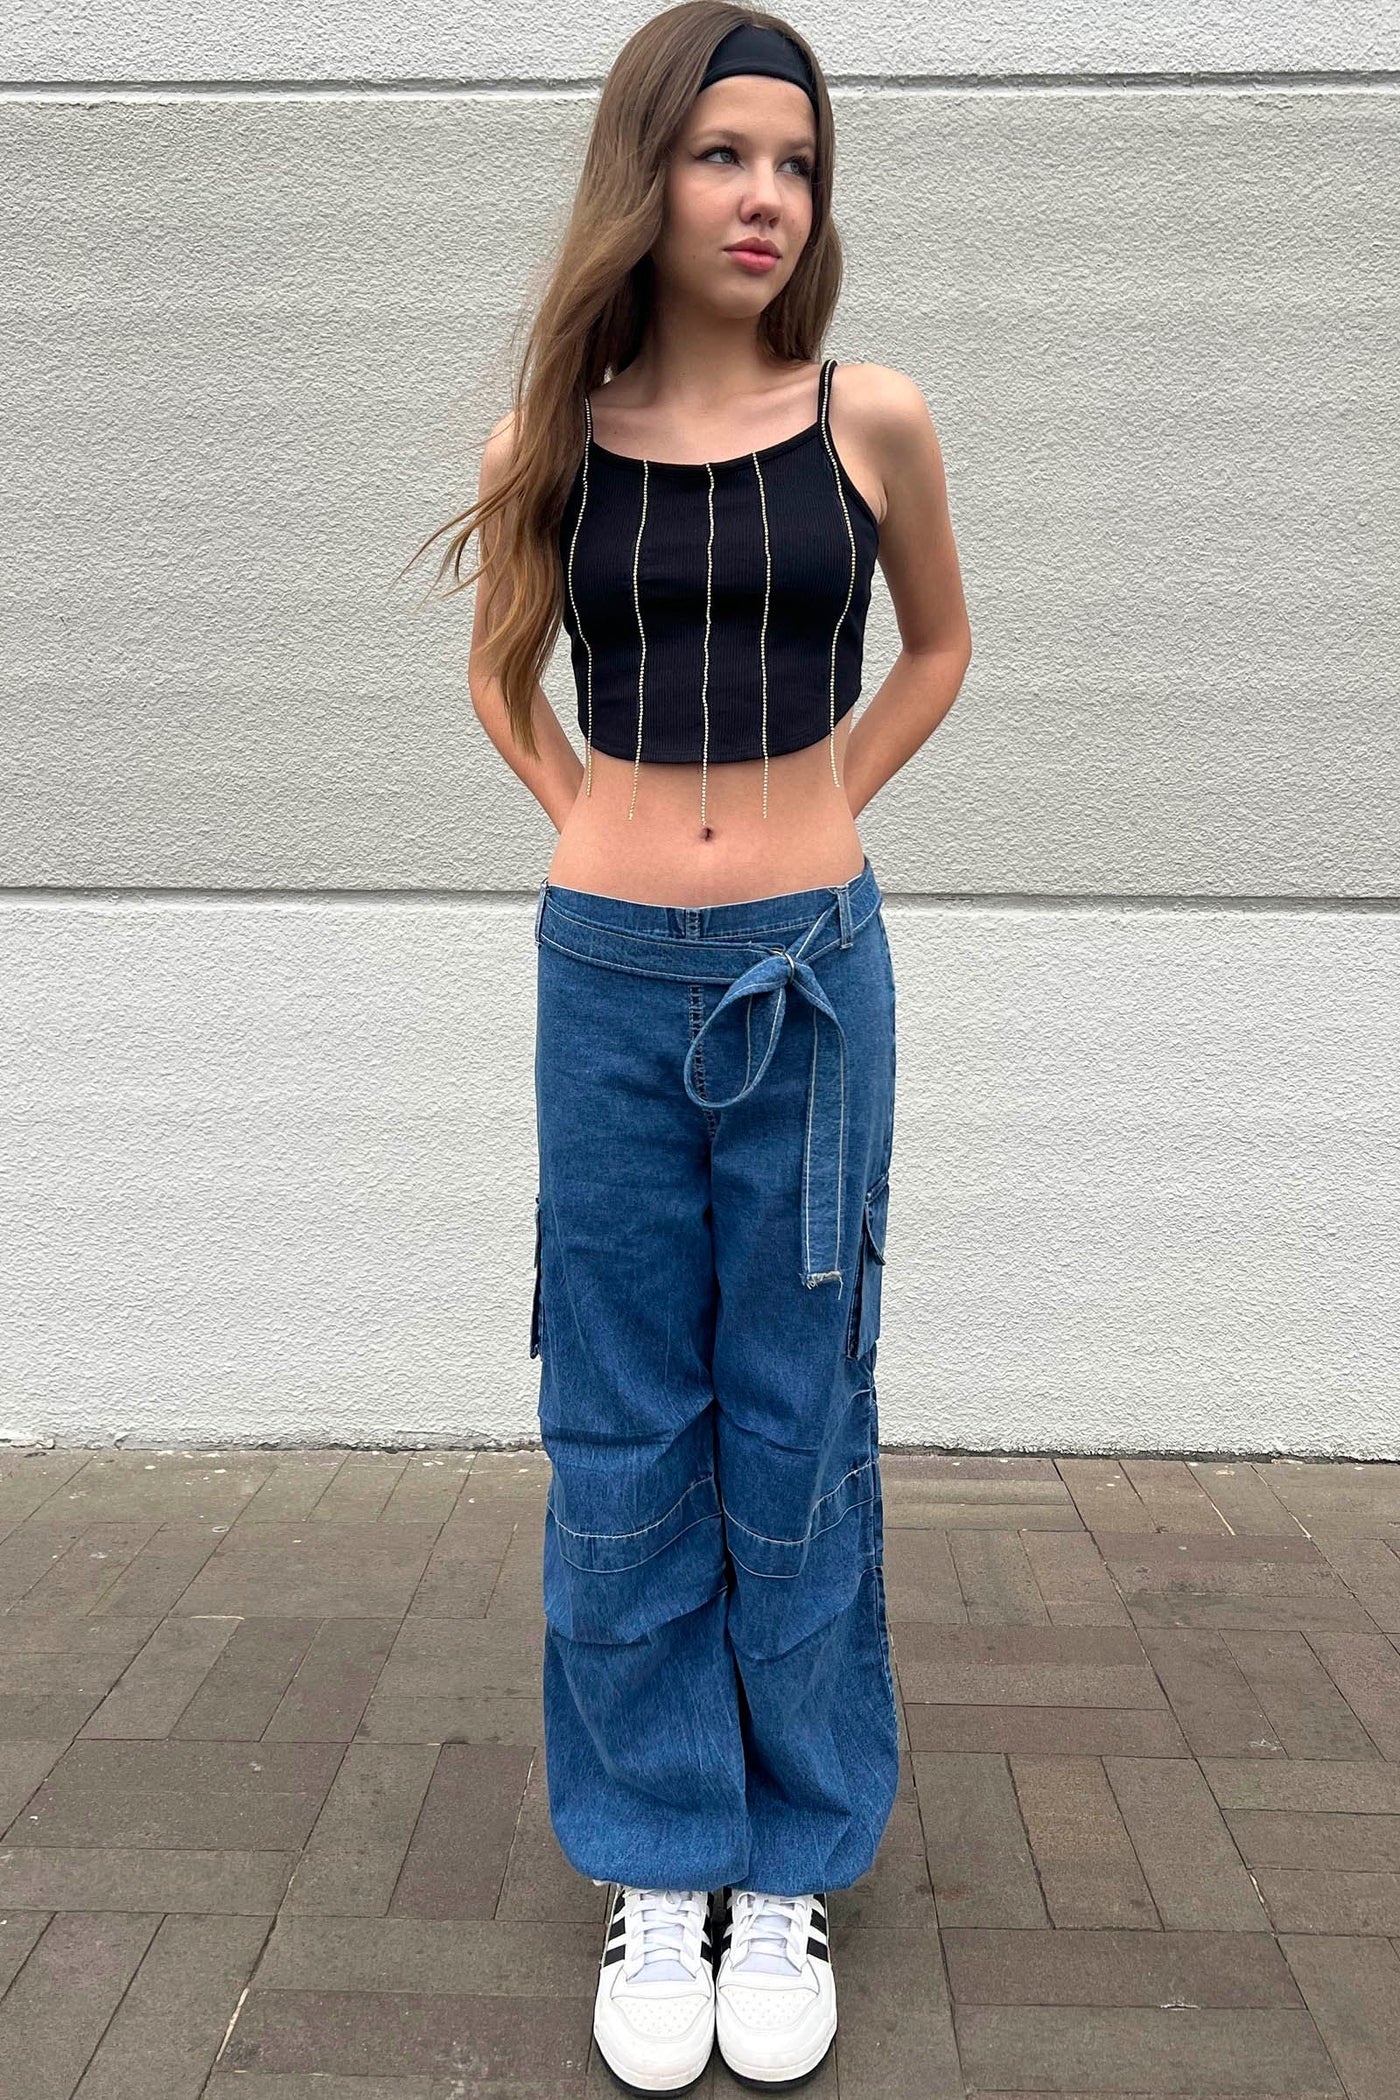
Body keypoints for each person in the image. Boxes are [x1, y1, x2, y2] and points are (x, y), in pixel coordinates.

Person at [412, 6, 971, 2090]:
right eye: (725, 154)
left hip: (810, 970)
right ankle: (661, 1856)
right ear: (641, 172)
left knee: (797, 1405)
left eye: (797, 164)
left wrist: (819, 809)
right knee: (624, 1412)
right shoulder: (545, 443)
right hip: (606, 975)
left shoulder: (871, 419)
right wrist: (598, 827)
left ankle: (790, 1857)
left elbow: (940, 647)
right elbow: (499, 675)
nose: (765, 198)